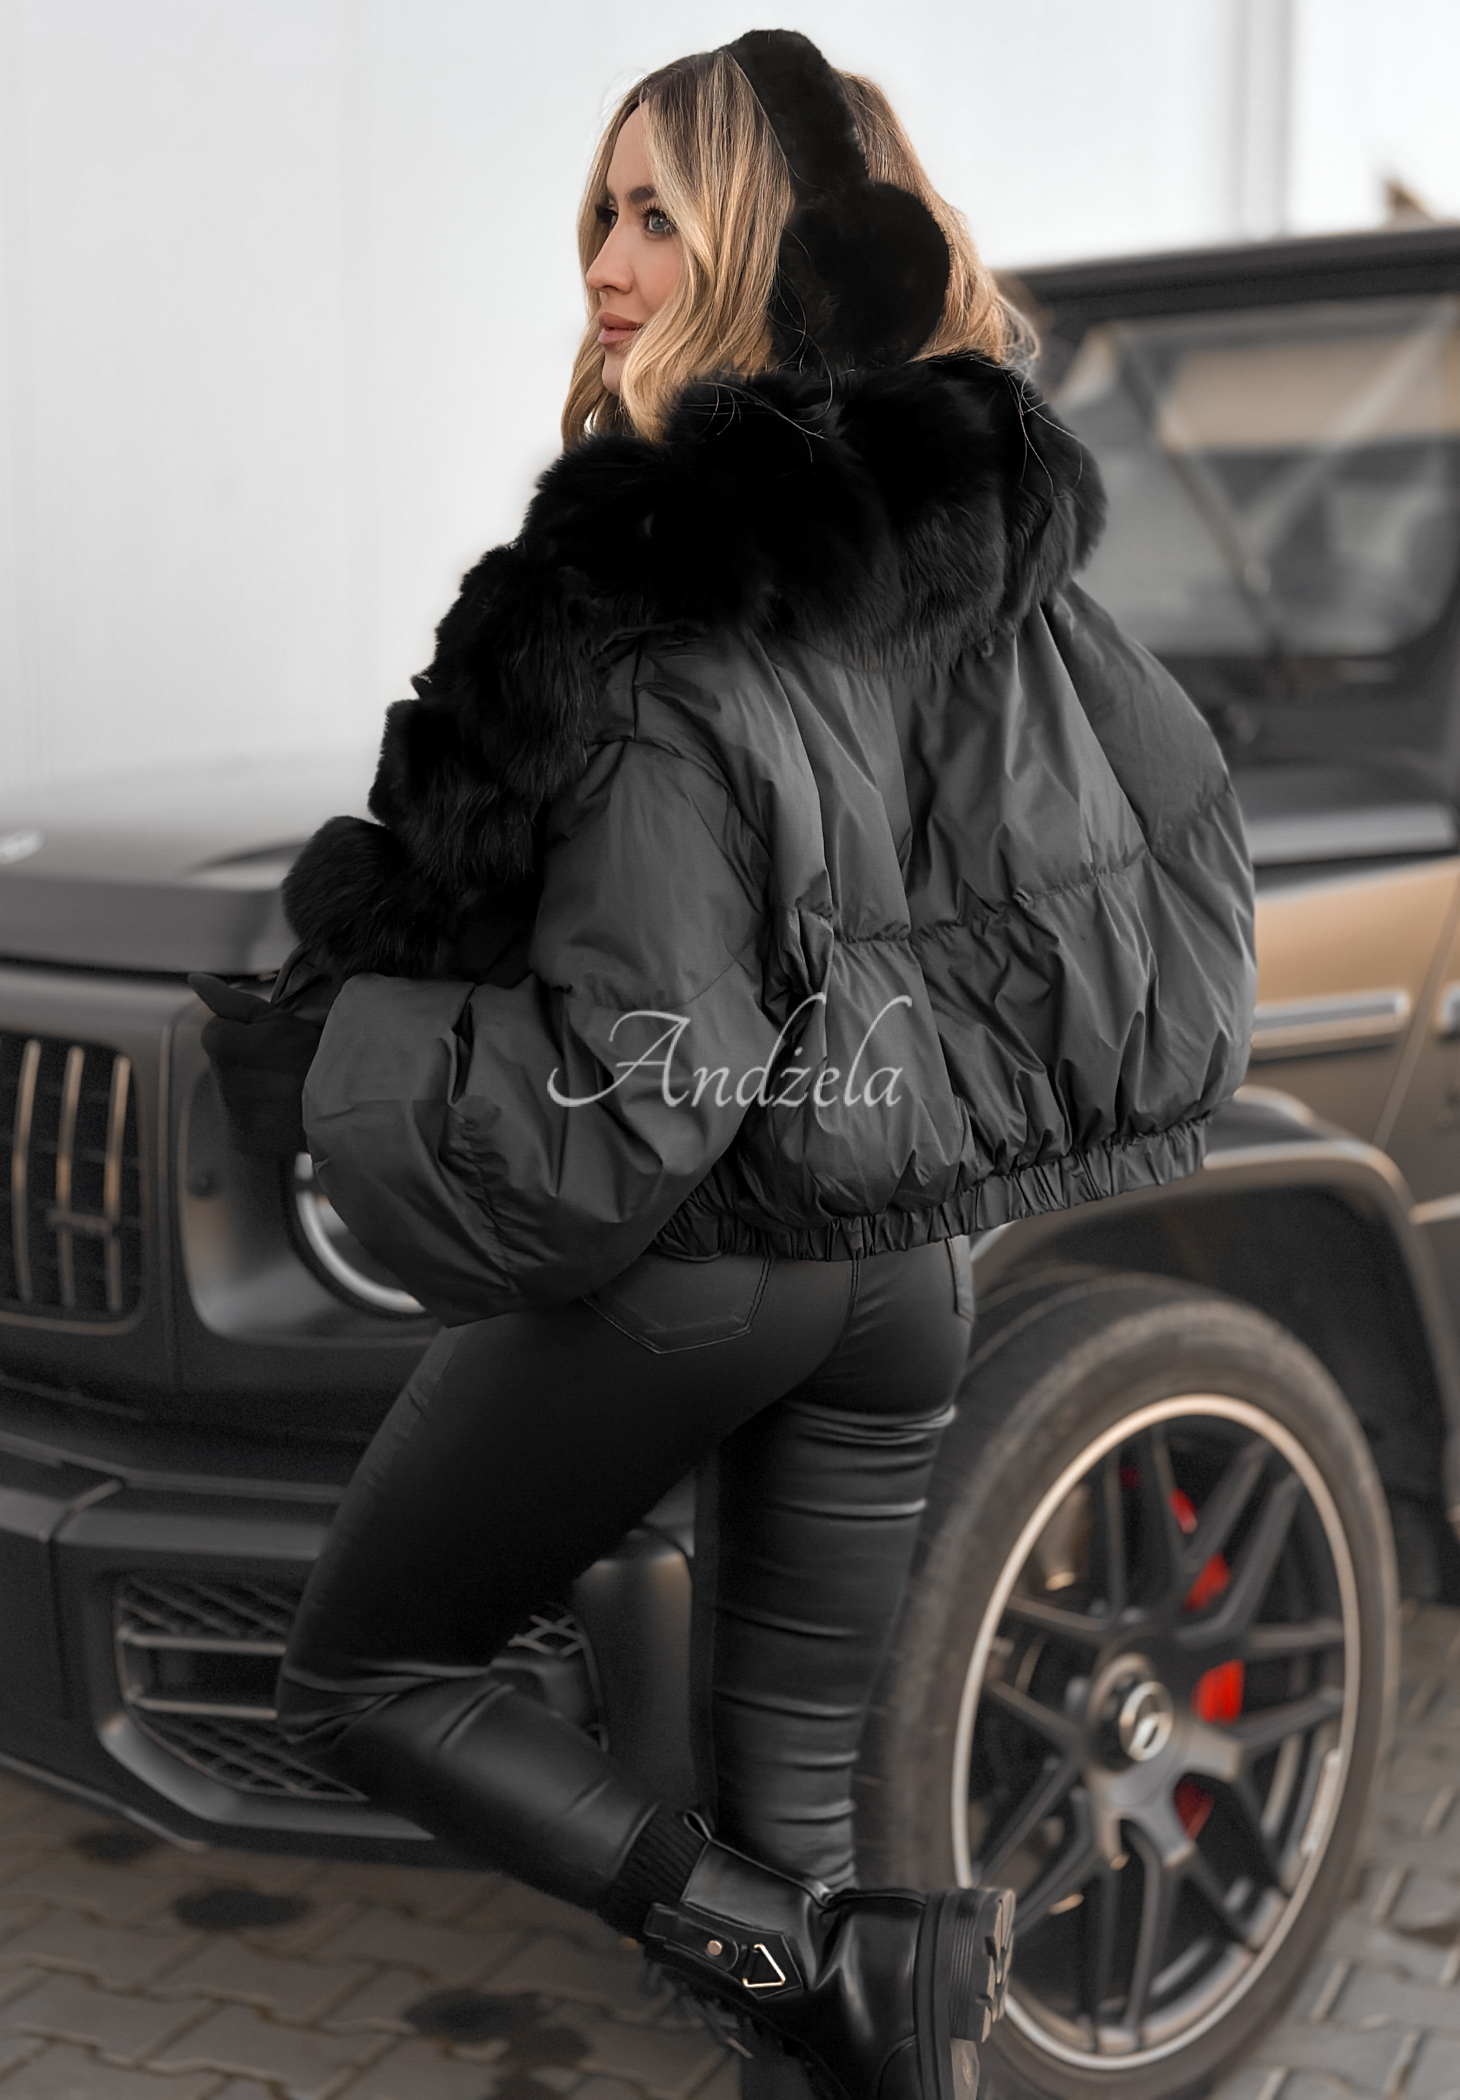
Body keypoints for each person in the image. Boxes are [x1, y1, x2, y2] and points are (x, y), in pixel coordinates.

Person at [194, 30, 1256, 2100]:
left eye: (659, 218)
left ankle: (816, 1960)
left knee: (363, 1677)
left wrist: (346, 1048)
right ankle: (854, 1979)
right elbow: (1141, 851)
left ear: (774, 249)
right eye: (599, 213)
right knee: (805, 1830)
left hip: (706, 1266)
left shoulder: (653, 609)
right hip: (903, 1275)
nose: (605, 265)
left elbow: (628, 1093)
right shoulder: (975, 560)